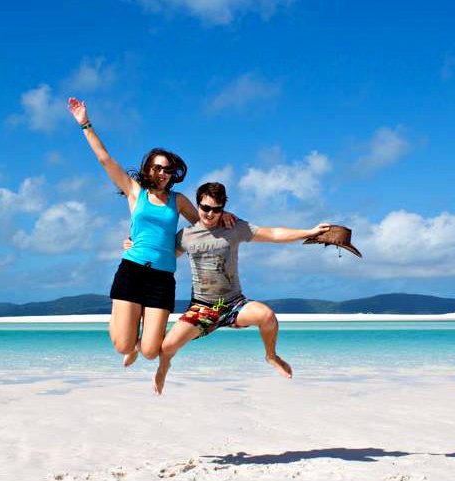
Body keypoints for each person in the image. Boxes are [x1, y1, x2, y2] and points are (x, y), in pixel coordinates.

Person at [67, 98, 233, 367]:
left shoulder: (177, 200)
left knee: (151, 351)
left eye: (168, 169)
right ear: (148, 169)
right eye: (158, 167)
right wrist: (85, 123)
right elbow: (104, 159)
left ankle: (140, 338)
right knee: (122, 345)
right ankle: (127, 339)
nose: (163, 173)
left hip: (162, 279)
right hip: (132, 271)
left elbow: (203, 225)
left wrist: (222, 213)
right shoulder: (136, 192)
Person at [150, 182, 330, 394]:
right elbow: (160, 254)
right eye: (205, 207)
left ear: (223, 208)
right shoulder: (185, 236)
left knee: (267, 316)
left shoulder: (233, 227)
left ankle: (271, 356)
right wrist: (135, 246)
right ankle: (164, 368)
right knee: (167, 347)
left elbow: (272, 234)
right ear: (198, 205)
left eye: (216, 209)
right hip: (203, 307)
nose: (209, 213)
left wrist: (309, 232)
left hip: (234, 303)